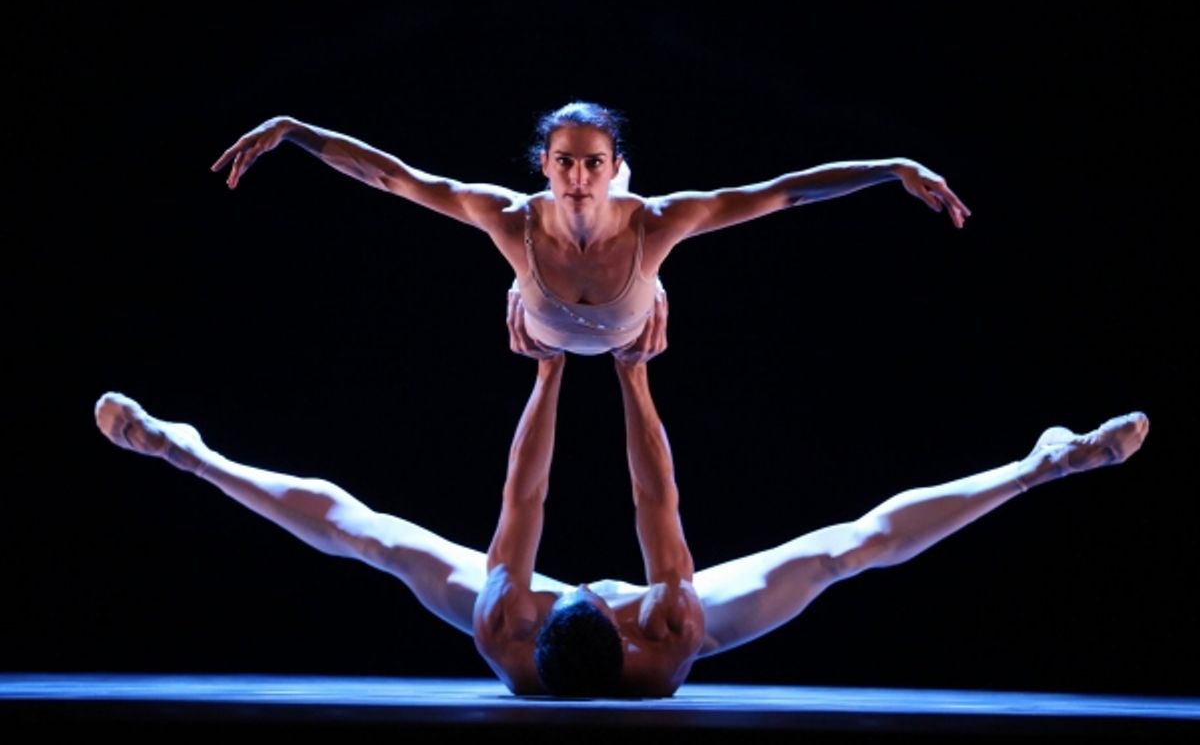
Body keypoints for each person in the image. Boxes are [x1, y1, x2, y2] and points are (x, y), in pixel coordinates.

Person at [93, 360, 1148, 697]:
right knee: (841, 548)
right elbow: (657, 507)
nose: (591, 578)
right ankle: (1039, 465)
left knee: (369, 533)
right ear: (629, 617)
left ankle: (188, 450)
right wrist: (635, 374)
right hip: (683, 630)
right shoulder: (672, 634)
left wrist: (552, 371)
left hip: (526, 620)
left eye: (584, 590)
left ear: (558, 612)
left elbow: (524, 500)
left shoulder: (505, 625)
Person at [210, 102, 971, 361]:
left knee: (637, 346)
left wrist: (889, 165)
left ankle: (638, 310)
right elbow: (397, 177)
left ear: (612, 166)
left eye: (594, 163)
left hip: (632, 328)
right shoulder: (508, 216)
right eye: (565, 162)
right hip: (544, 327)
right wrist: (295, 131)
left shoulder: (659, 219)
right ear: (544, 164)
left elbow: (782, 194)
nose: (578, 176)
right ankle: (546, 335)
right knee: (541, 353)